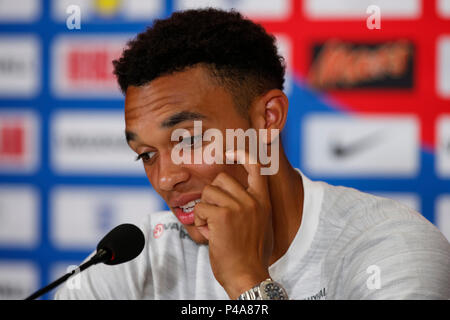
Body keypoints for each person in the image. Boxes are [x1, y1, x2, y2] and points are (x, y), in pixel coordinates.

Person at [55, 8, 450, 300]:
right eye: (146, 155)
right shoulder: (134, 258)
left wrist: (247, 282)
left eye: (188, 140)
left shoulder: (392, 246)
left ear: (268, 117)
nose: (164, 179)